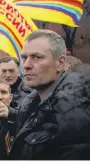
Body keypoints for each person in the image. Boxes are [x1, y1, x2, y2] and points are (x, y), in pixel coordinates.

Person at [9, 30, 90, 159]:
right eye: (24, 57)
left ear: (60, 63)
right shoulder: (30, 106)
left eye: (37, 57)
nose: (26, 65)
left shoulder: (74, 111)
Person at [0, 56, 32, 123]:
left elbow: (31, 118)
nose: (7, 75)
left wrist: (10, 112)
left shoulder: (31, 92)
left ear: (18, 71)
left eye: (11, 71)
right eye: (4, 71)